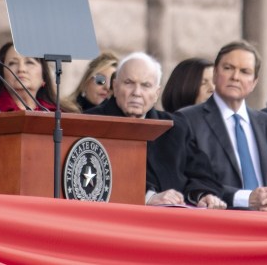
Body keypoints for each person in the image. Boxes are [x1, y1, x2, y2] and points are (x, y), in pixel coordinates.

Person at [86, 52, 225, 209]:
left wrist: (202, 195)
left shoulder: (175, 127)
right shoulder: (91, 123)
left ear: (156, 94)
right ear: (115, 86)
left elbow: (202, 174)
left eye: (146, 85)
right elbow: (90, 178)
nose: (137, 92)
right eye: (129, 83)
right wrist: (148, 196)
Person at [180, 40, 267, 211]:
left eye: (245, 72)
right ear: (215, 74)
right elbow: (189, 182)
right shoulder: (188, 120)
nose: (235, 77)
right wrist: (246, 199)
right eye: (228, 68)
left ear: (254, 82)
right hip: (224, 219)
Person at [0, 42, 57, 111]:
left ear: (44, 76)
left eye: (29, 62)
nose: (21, 69)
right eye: (12, 63)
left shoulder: (58, 114)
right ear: (2, 75)